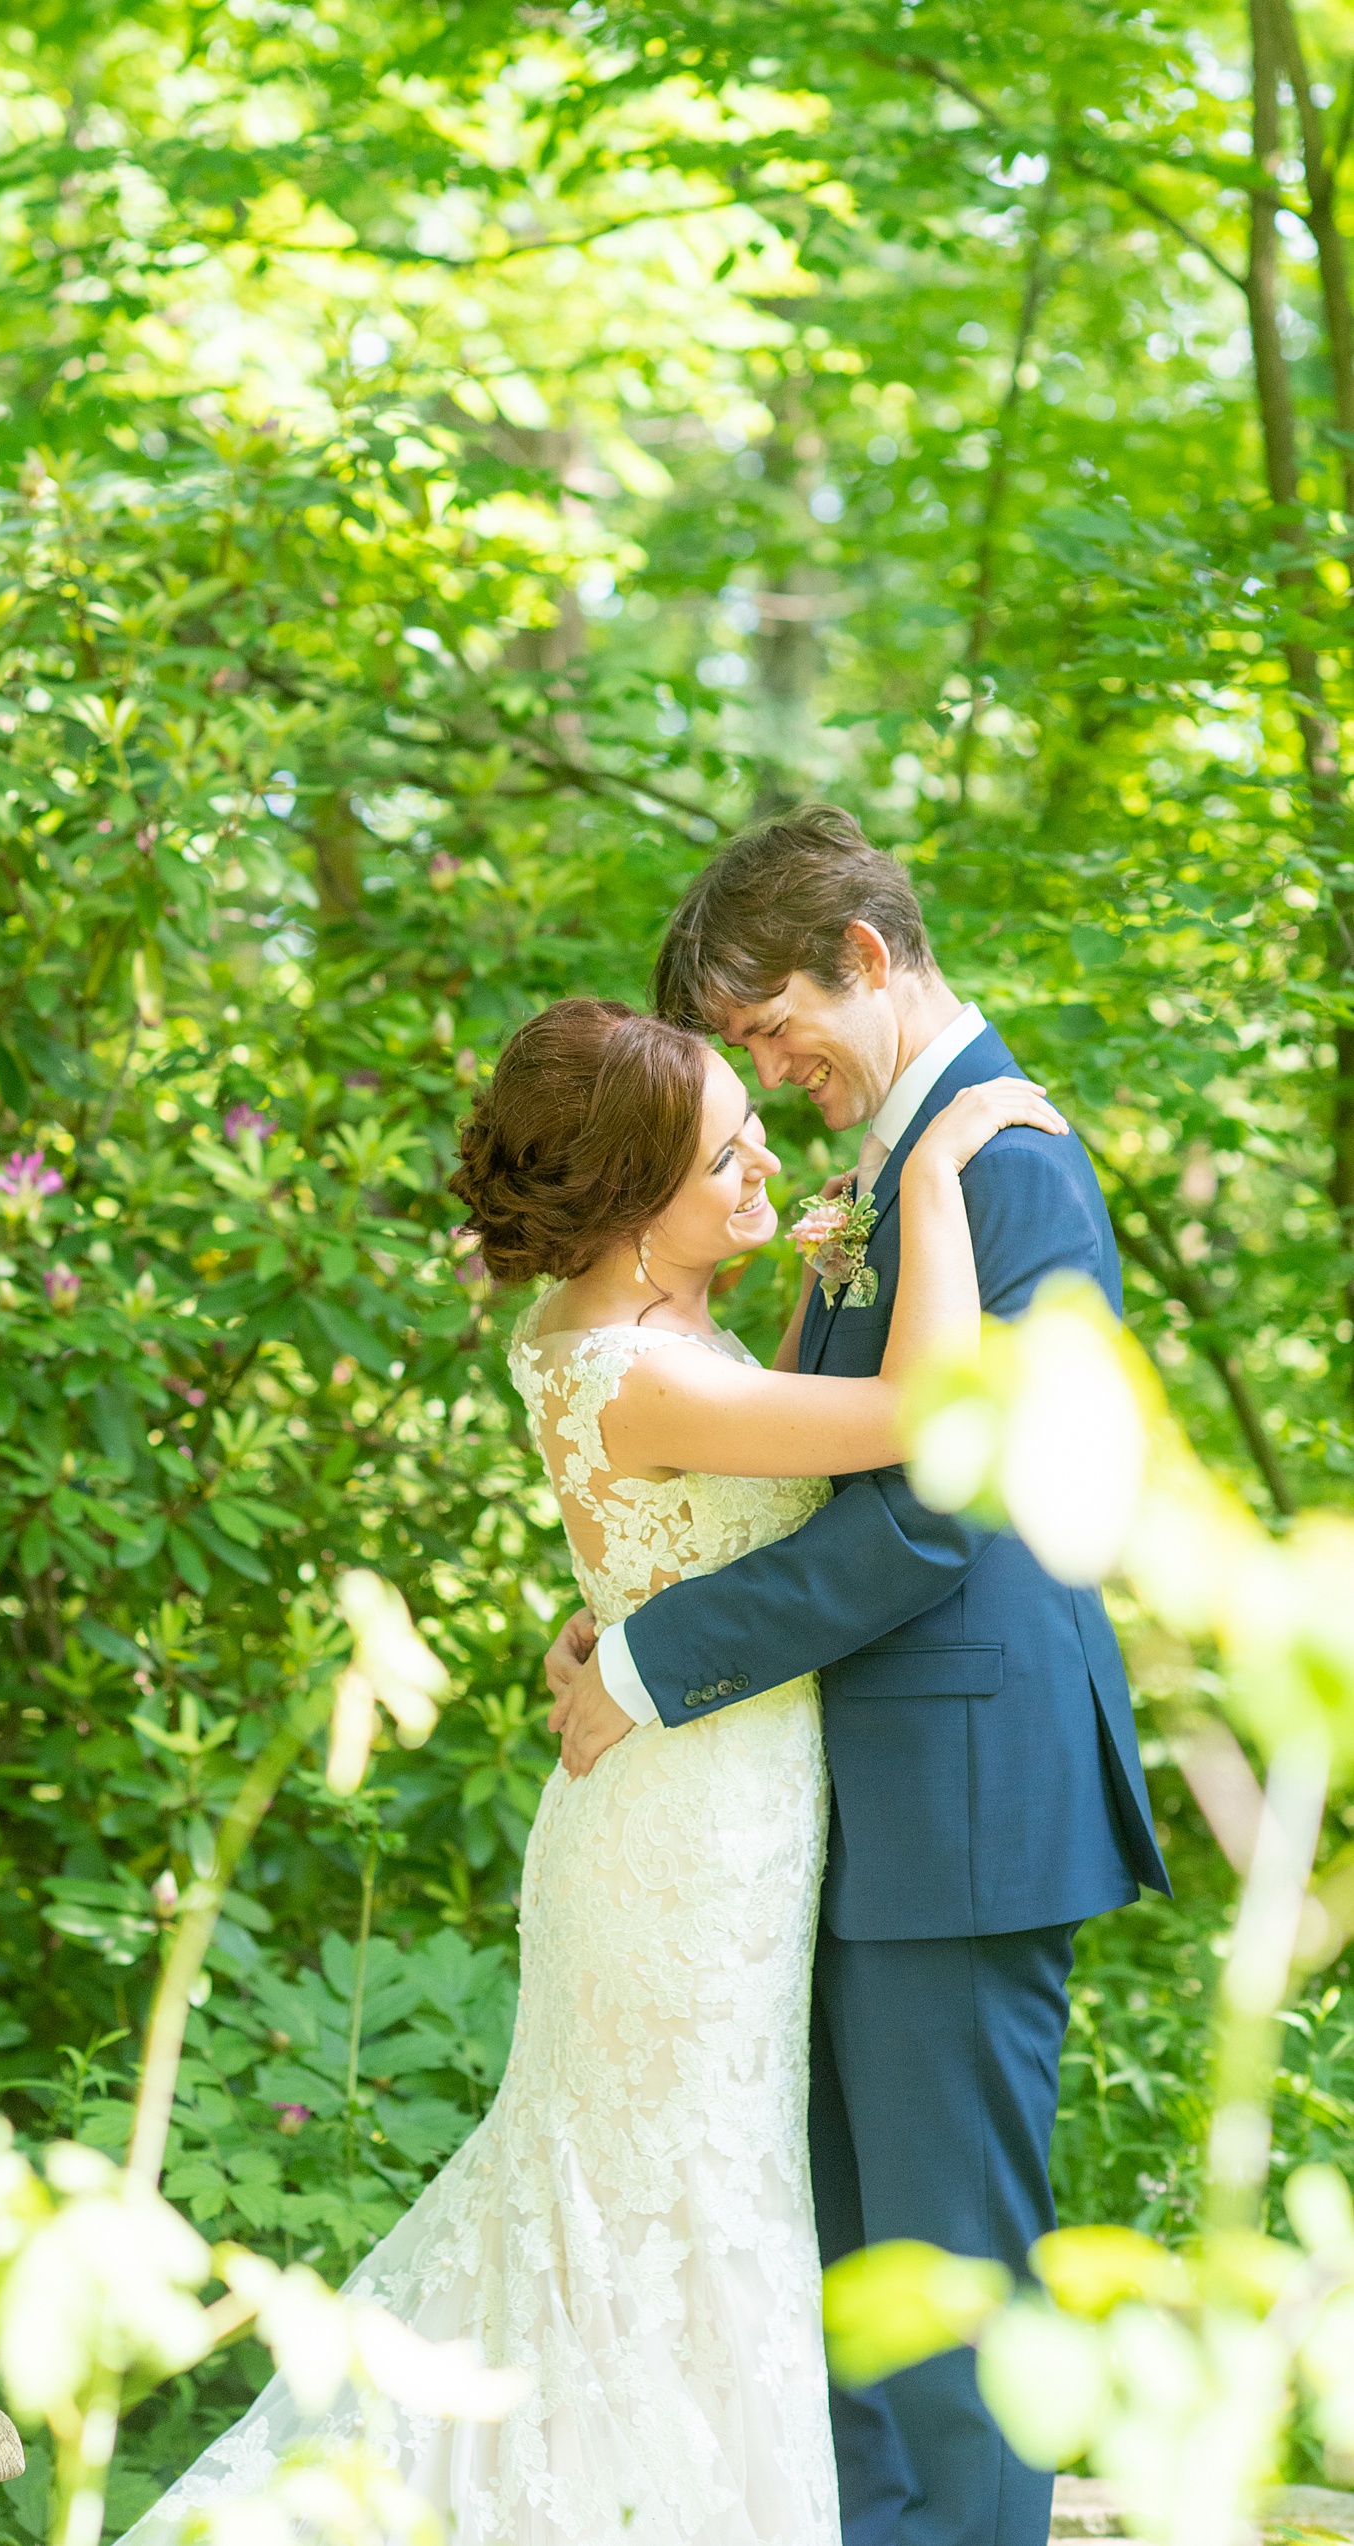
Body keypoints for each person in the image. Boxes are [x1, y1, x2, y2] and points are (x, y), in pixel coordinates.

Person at [119, 980, 1067, 2546]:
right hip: (684, 1850)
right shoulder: (637, 1361)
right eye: (728, 1160)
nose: (769, 1173)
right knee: (664, 2206)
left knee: (673, 2202)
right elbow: (921, 1410)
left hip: (707, 1808)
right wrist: (932, 1175)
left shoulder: (642, 1325)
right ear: (633, 1209)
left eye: (762, 1136)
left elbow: (692, 1515)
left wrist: (615, 1618)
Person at [545, 805, 1170, 2546]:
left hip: (965, 1805)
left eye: (767, 1027)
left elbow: (933, 1516)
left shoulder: (1009, 1167)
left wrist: (663, 1656)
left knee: (952, 2289)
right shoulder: (891, 1174)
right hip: (846, 1814)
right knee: (847, 2289)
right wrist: (628, 1601)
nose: (766, 1065)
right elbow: (799, 1478)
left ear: (869, 961)